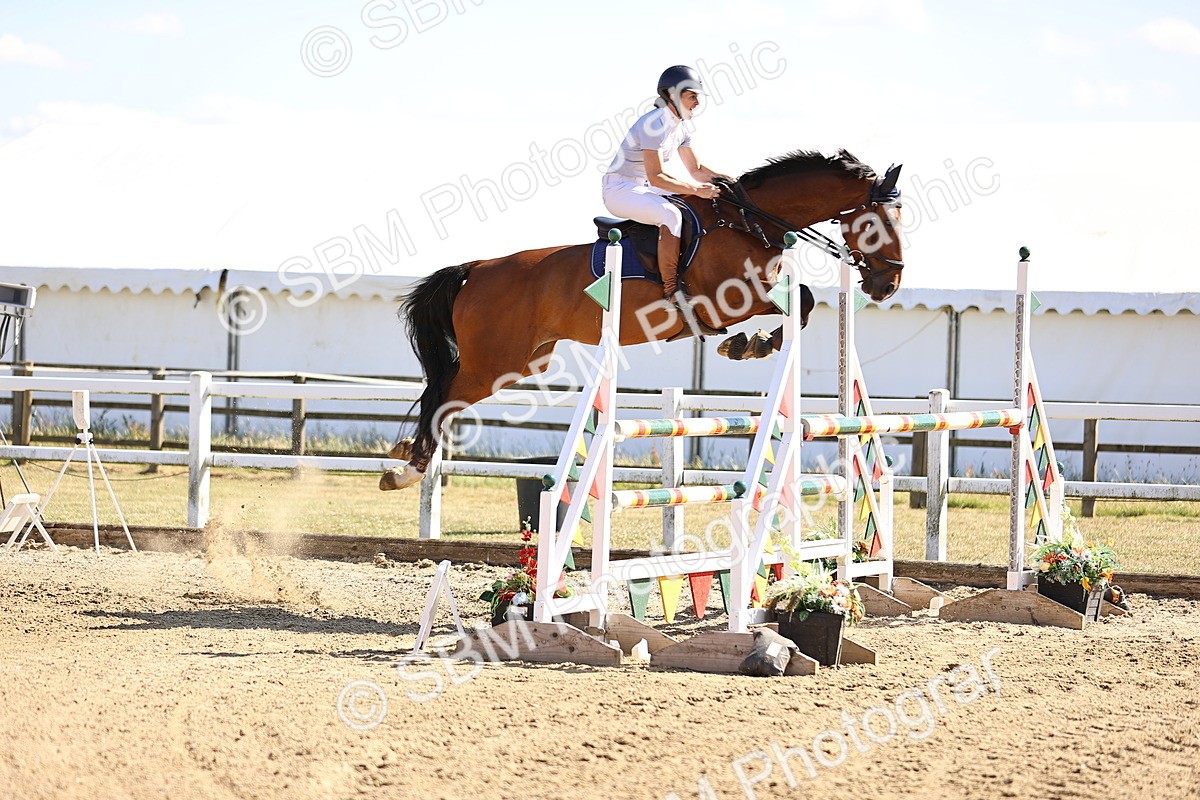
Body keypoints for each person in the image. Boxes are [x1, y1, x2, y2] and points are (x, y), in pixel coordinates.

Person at [603, 65, 726, 313]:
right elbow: (657, 177)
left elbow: (697, 169)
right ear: (672, 95)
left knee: (695, 205)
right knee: (671, 214)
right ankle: (671, 290)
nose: (697, 103)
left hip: (644, 187)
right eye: (692, 96)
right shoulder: (654, 123)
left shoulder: (681, 127)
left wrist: (727, 182)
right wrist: (697, 189)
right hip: (620, 188)